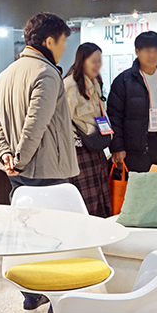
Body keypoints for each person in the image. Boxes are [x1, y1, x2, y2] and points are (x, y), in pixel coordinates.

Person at [0, 12, 79, 313]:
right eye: (62, 41)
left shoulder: (6, 73)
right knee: (54, 237)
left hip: (17, 170)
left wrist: (6, 155)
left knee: (28, 233)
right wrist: (21, 160)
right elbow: (35, 124)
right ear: (49, 41)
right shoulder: (47, 73)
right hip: (46, 168)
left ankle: (31, 292)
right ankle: (57, 299)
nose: (64, 48)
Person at [108, 31, 157, 172]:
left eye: (156, 51)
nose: (152, 55)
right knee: (139, 185)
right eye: (147, 51)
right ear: (137, 52)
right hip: (135, 149)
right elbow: (114, 117)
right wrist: (117, 147)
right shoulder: (123, 81)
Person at [64, 43, 112, 218]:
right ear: (82, 60)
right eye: (94, 61)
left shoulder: (95, 82)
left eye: (99, 61)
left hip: (96, 146)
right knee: (87, 199)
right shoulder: (70, 85)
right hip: (80, 148)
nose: (98, 65)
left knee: (101, 195)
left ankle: (101, 229)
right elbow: (63, 120)